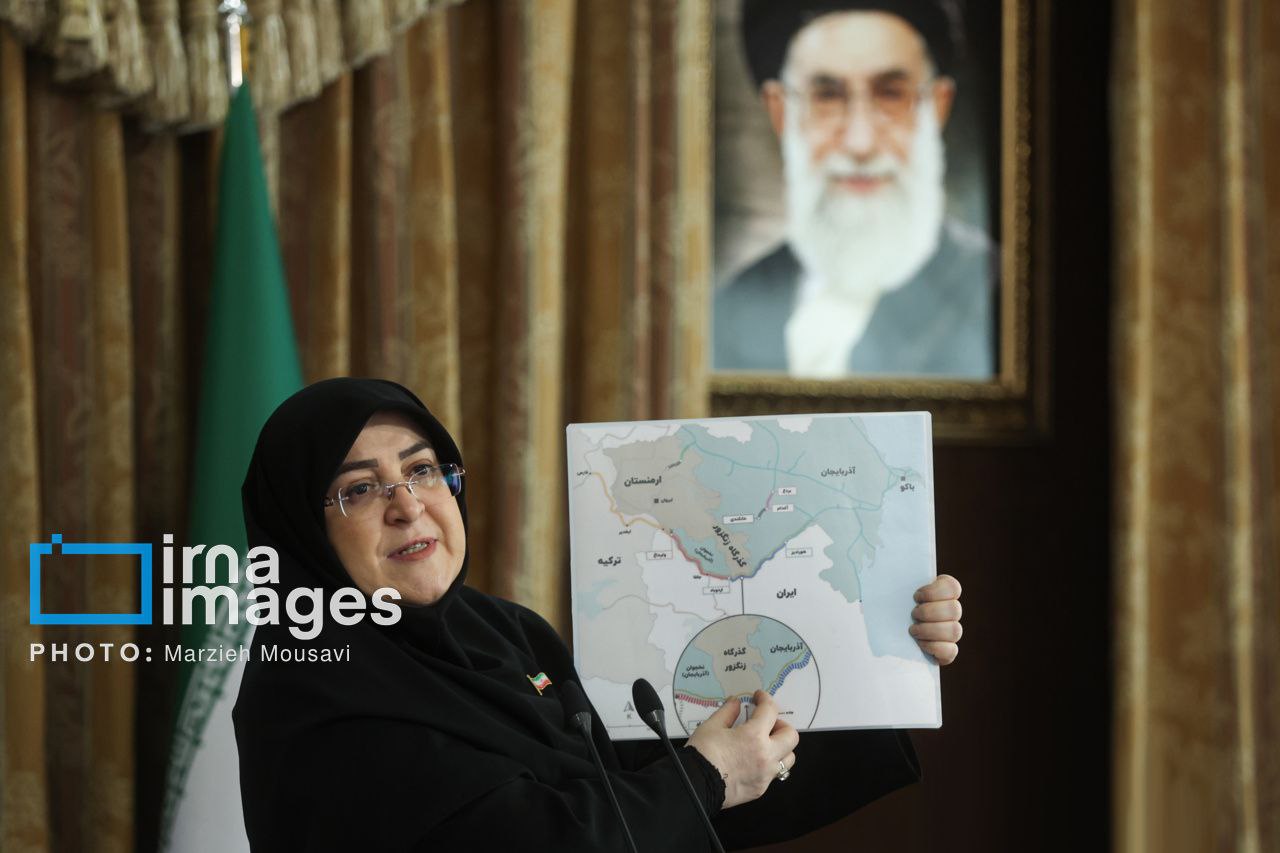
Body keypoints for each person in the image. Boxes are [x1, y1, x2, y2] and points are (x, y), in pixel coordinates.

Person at [234, 378, 964, 850]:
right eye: (359, 489)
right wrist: (705, 778)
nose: (407, 505)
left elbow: (647, 785)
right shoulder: (310, 684)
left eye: (423, 469)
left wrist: (882, 660)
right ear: (302, 534)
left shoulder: (505, 630)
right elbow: (523, 839)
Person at [714, 0, 996, 378]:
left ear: (937, 107)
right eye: (827, 96)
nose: (860, 143)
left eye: (891, 94)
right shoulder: (728, 312)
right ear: (781, 112)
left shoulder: (997, 293)